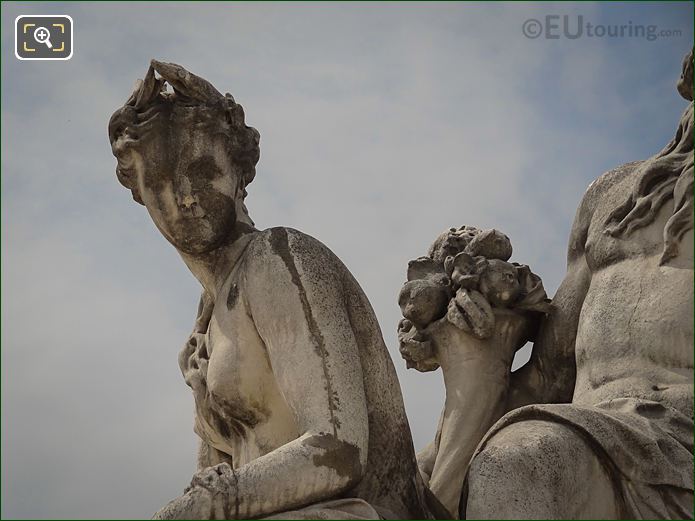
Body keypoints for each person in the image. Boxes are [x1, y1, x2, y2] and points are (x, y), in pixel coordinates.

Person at [108, 60, 442, 520]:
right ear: (140, 193)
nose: (184, 195)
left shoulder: (278, 259)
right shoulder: (206, 320)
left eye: (203, 169)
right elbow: (216, 475)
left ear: (240, 173)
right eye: (162, 181)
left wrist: (210, 504)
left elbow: (339, 448)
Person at [435, 48, 693, 519]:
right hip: (591, 432)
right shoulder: (612, 196)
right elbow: (549, 377)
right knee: (512, 458)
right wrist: (480, 360)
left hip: (684, 435)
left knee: (520, 459)